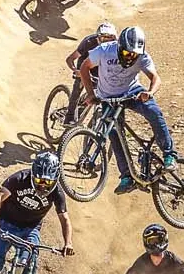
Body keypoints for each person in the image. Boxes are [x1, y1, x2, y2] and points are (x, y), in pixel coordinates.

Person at [76, 25, 177, 192]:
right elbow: (84, 67)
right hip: (108, 97)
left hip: (132, 92)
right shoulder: (103, 50)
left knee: (153, 112)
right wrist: (90, 93)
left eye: (134, 55)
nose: (130, 57)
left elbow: (155, 78)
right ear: (119, 46)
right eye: (126, 53)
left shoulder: (142, 56)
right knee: (114, 134)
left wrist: (149, 92)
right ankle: (127, 177)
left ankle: (169, 155)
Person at [120, 224, 184, 274]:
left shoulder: (172, 259)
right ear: (146, 242)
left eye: (159, 240)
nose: (156, 244)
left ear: (164, 240)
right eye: (152, 241)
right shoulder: (141, 262)